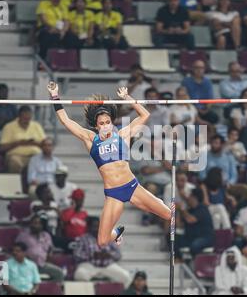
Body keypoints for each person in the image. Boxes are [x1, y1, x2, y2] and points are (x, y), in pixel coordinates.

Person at [49, 81, 171, 246]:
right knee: (102, 241)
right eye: (101, 124)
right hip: (113, 194)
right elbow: (66, 121)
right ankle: (117, 232)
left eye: (108, 122)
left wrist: (127, 97)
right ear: (96, 126)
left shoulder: (123, 135)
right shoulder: (91, 139)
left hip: (133, 187)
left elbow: (145, 115)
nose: (106, 126)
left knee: (170, 215)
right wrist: (55, 96)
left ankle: (160, 202)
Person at [73, 217, 131, 286]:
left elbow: (118, 254)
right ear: (89, 227)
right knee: (80, 275)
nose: (97, 228)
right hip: (90, 265)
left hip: (107, 265)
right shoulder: (83, 238)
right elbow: (76, 254)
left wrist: (109, 255)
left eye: (98, 226)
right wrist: (91, 255)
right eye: (94, 226)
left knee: (125, 276)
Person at [15, 215, 64, 282]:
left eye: (38, 223)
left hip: (42, 264)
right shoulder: (23, 235)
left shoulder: (46, 235)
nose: (36, 225)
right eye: (34, 223)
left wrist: (49, 254)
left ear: (41, 225)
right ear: (30, 224)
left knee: (59, 273)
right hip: (27, 265)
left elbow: (50, 248)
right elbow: (16, 250)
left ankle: (50, 290)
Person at [0, 105, 46, 173]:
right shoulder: (9, 127)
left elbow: (45, 144)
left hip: (35, 155)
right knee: (14, 163)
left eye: (28, 118)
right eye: (24, 118)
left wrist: (33, 143)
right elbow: (2, 148)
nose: (26, 121)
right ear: (19, 116)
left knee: (42, 161)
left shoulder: (36, 126)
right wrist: (19, 143)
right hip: (16, 156)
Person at [176, 188, 215, 257]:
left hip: (204, 238)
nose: (188, 198)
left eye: (190, 196)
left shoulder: (202, 208)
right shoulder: (189, 210)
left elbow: (191, 220)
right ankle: (178, 259)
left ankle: (197, 264)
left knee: (195, 246)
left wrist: (182, 209)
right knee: (172, 237)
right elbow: (179, 225)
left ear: (194, 198)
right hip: (190, 237)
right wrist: (178, 211)